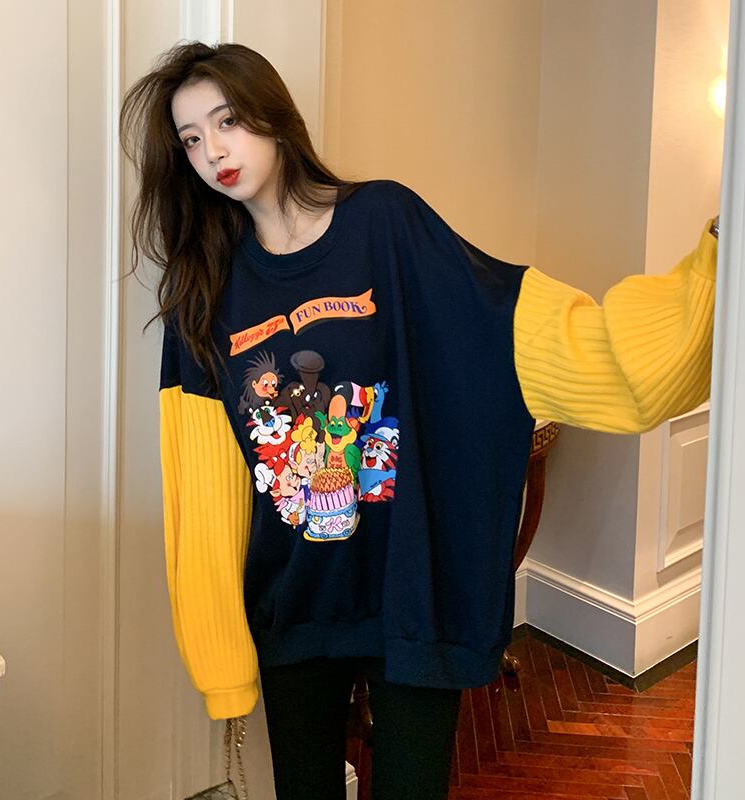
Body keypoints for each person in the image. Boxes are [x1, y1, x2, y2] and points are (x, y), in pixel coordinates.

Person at [120, 41, 718, 800]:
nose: (213, 151)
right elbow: (203, 491)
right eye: (191, 138)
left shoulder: (386, 222)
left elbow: (512, 330)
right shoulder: (205, 291)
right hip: (293, 598)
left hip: (410, 587)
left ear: (273, 114)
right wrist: (222, 662)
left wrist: (709, 269)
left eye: (227, 120)